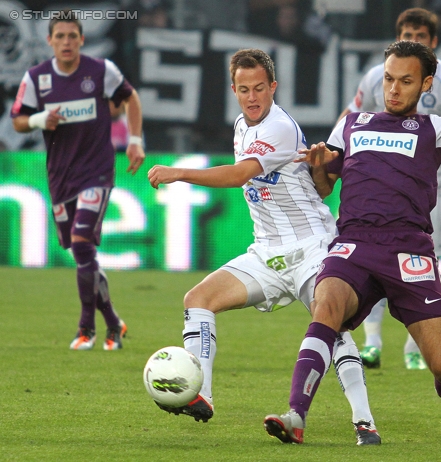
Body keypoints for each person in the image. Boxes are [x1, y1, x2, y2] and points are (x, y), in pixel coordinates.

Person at [264, 31, 441, 444]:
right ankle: (295, 414)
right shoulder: (352, 124)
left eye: (405, 80)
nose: (393, 88)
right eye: (388, 78)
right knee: (325, 306)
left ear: (425, 84)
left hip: (410, 253)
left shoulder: (435, 128)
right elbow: (324, 187)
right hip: (354, 245)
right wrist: (317, 167)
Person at [147, 48, 380, 446]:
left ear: (273, 86)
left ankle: (365, 422)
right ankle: (201, 393)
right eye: (243, 89)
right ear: (234, 90)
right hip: (267, 253)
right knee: (198, 298)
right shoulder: (242, 125)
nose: (252, 97)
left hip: (312, 247)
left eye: (259, 88)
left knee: (334, 326)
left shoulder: (279, 127)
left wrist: (180, 171)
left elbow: (241, 175)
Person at [337, 8, 441, 370]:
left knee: (425, 262)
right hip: (380, 179)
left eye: (420, 36)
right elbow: (349, 117)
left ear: (433, 43)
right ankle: (371, 342)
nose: (413, 41)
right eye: (407, 34)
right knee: (373, 258)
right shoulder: (378, 75)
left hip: (431, 181)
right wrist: (338, 157)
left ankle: (414, 346)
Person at [11, 14, 145, 351]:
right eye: (61, 36)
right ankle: (114, 322)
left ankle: (87, 328)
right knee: (82, 255)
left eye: (73, 36)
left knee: (83, 243)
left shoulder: (101, 71)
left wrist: (135, 141)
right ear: (50, 41)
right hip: (61, 177)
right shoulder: (37, 78)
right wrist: (41, 119)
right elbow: (18, 121)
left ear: (82, 40)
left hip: (96, 172)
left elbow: (131, 98)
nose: (67, 42)